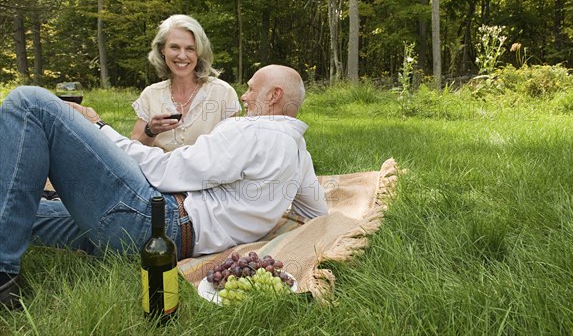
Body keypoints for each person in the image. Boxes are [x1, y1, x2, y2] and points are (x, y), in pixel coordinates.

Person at [0, 65, 328, 309]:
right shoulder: (299, 154)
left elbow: (162, 172)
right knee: (27, 211)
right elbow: (317, 212)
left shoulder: (252, 131)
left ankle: (4, 275)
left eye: (252, 88)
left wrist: (98, 127)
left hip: (149, 222)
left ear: (274, 95)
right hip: (157, 237)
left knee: (29, 102)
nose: (244, 95)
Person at [131, 14, 241, 151]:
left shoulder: (223, 92)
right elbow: (133, 150)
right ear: (162, 50)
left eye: (190, 49)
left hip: (208, 172)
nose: (182, 56)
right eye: (174, 47)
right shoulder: (150, 94)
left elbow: (235, 148)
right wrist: (150, 130)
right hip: (162, 171)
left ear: (199, 52)